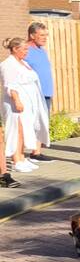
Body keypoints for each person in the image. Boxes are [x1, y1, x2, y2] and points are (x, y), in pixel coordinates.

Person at [1, 37, 50, 174]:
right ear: (15, 49)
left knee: (25, 129)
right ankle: (16, 160)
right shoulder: (8, 64)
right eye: (24, 49)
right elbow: (9, 85)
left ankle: (22, 157)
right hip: (15, 103)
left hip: (28, 102)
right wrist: (17, 100)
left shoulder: (23, 63)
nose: (26, 52)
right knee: (17, 130)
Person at [25, 22, 54, 115]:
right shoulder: (25, 51)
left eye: (46, 35)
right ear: (32, 35)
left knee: (44, 126)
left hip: (46, 95)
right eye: (42, 35)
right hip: (33, 96)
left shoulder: (42, 51)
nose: (45, 38)